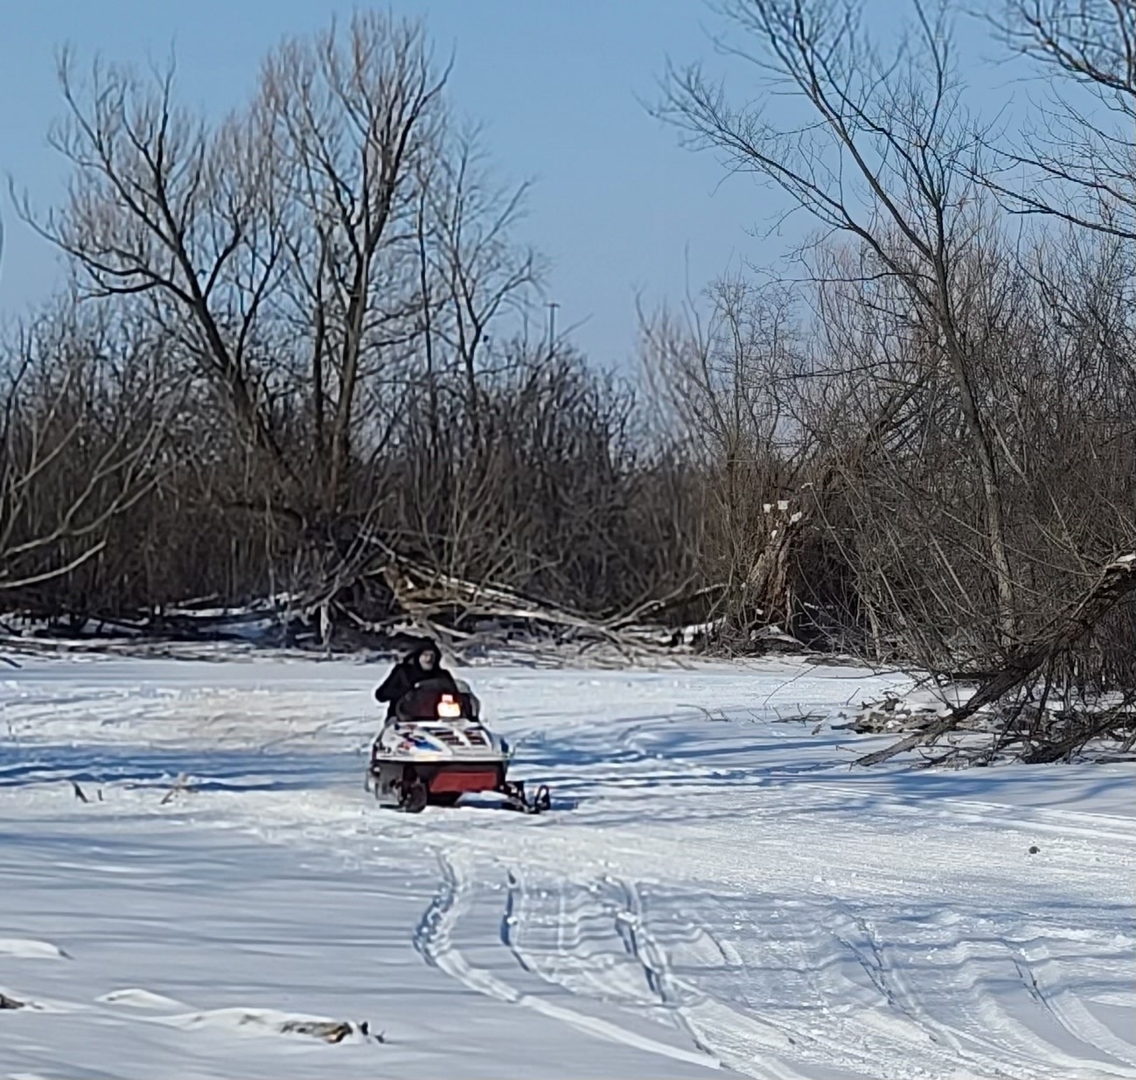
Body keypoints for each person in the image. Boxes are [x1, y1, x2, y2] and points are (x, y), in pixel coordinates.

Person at [374, 642, 457, 719]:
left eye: (432, 655)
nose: (429, 659)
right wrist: (405, 692)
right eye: (425, 655)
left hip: (438, 719)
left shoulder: (442, 675)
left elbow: (455, 694)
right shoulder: (403, 672)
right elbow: (381, 695)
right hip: (404, 718)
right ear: (418, 656)